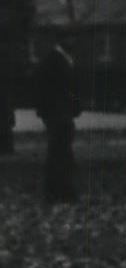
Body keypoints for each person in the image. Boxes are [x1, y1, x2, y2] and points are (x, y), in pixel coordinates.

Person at [34, 43, 81, 203]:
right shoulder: (56, 61)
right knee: (61, 150)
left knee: (59, 149)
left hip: (57, 112)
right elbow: (64, 89)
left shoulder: (55, 59)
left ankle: (56, 189)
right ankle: (62, 189)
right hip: (58, 112)